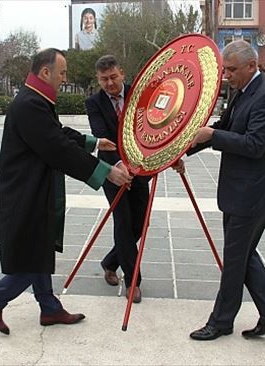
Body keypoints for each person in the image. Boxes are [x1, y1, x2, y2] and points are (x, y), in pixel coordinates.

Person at [0, 48, 133, 335]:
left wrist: (94, 142)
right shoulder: (29, 105)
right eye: (62, 73)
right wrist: (106, 171)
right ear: (46, 72)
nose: (64, 78)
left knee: (40, 245)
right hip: (24, 192)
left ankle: (49, 308)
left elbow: (56, 132)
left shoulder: (35, 100)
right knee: (32, 253)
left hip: (34, 188)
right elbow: (57, 148)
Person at [172, 40, 265, 341]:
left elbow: (253, 145)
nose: (227, 76)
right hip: (239, 193)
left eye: (232, 70)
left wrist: (213, 134)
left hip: (253, 195)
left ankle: (221, 321)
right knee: (244, 256)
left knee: (236, 260)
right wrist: (182, 147)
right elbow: (223, 128)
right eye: (226, 70)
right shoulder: (241, 92)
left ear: (252, 66)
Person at [86, 55, 149, 303]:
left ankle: (110, 261)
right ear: (98, 80)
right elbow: (101, 135)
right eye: (104, 79)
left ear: (122, 73)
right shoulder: (94, 103)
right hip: (111, 170)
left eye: (113, 77)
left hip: (141, 169)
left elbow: (150, 128)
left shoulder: (140, 94)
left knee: (138, 225)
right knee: (122, 221)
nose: (110, 83)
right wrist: (120, 167)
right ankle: (133, 281)